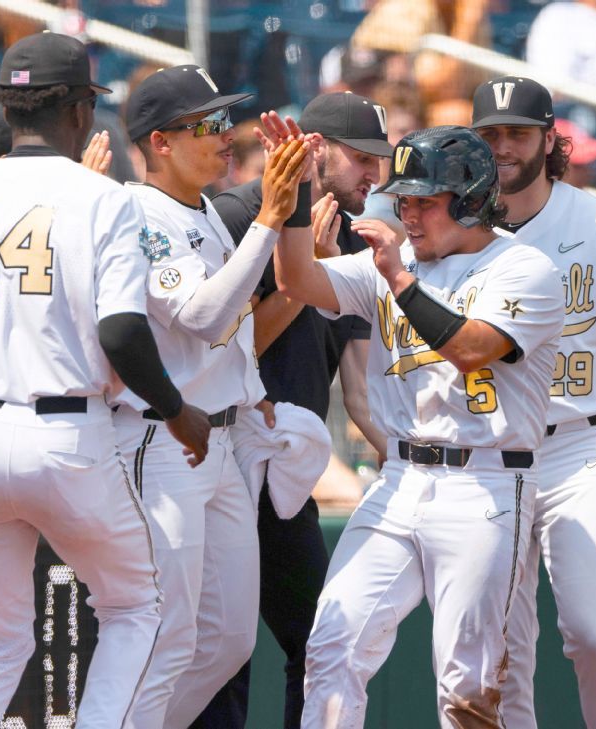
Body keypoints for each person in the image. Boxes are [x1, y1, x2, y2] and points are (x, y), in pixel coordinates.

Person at [0, 32, 212, 726]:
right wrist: (175, 410)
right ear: (80, 110)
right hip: (64, 435)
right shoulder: (100, 197)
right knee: (139, 607)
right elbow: (120, 330)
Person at [274, 125, 564, 727]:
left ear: (470, 200)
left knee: (469, 685)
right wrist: (296, 197)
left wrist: (397, 280)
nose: (408, 214)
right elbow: (297, 279)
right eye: (403, 200)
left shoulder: (523, 268)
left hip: (484, 484)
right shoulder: (394, 260)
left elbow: (474, 346)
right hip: (399, 478)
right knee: (330, 647)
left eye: (425, 201)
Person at [471, 75, 596, 729]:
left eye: (517, 133)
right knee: (499, 653)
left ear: (548, 138)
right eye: (490, 133)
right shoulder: (454, 225)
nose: (503, 145)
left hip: (574, 442)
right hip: (486, 450)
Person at [115, 64, 301, 728]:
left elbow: (231, 331)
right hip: (166, 440)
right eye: (208, 125)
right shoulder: (141, 210)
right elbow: (203, 316)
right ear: (161, 141)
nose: (227, 136)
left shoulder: (205, 212)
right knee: (168, 635)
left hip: (223, 439)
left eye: (227, 121)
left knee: (227, 640)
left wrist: (251, 393)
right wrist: (271, 221)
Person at [200, 92, 391, 729]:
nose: (375, 175)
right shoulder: (233, 215)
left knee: (321, 644)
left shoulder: (356, 243)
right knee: (220, 652)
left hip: (282, 484)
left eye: (381, 161)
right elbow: (225, 349)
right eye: (362, 158)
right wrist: (304, 277)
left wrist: (417, 461)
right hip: (218, 465)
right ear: (314, 150)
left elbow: (361, 393)